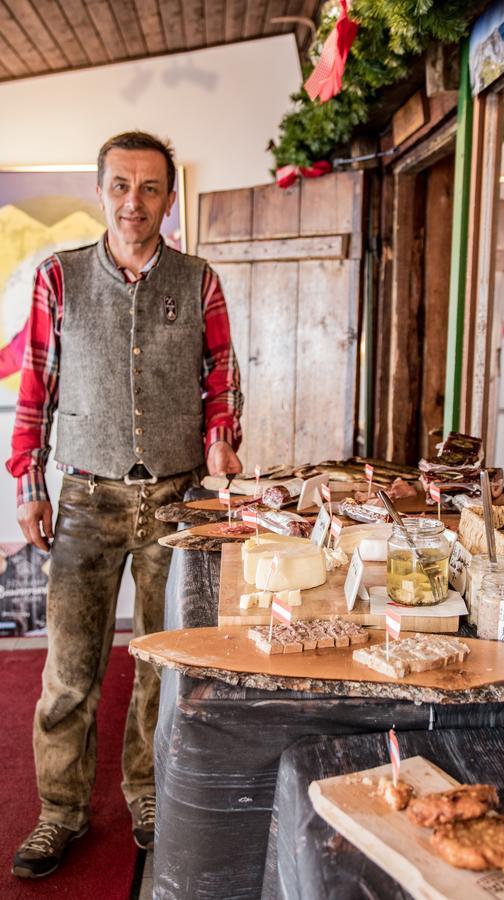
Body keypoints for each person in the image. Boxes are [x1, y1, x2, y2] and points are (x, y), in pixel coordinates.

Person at [7, 131, 243, 879]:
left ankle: (147, 795)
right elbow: (36, 389)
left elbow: (221, 380)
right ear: (100, 190)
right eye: (120, 186)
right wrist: (27, 484)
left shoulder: (199, 279)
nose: (133, 202)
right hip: (84, 498)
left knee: (159, 665)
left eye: (148, 189)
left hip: (177, 501)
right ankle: (61, 812)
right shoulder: (60, 278)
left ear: (169, 199)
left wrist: (222, 441)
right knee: (70, 670)